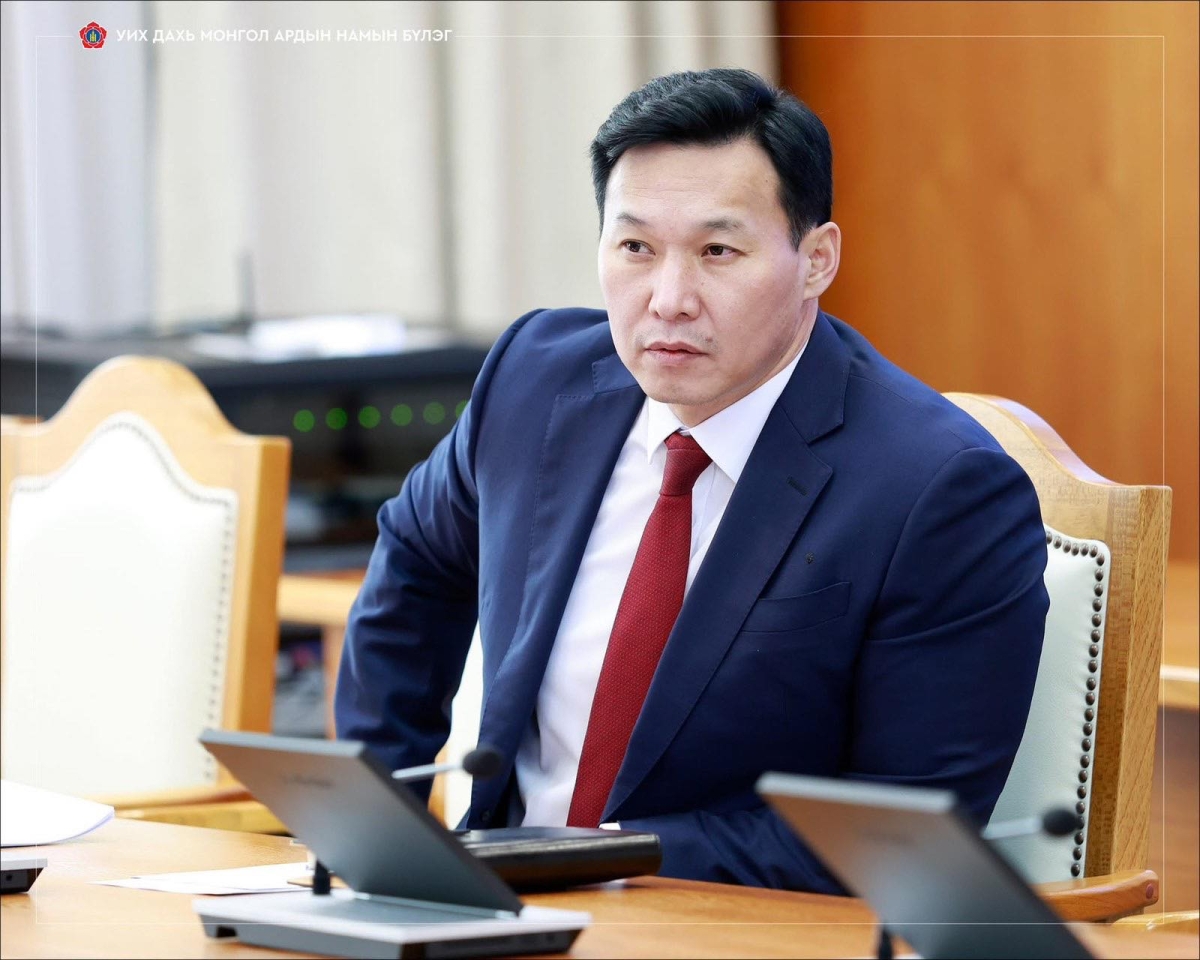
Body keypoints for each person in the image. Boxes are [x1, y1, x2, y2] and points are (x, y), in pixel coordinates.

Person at [335, 68, 1049, 893]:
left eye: (718, 252)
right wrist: (377, 832)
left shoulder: (938, 489)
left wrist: (590, 860)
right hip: (490, 910)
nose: (669, 300)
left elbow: (901, 835)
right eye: (635, 248)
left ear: (816, 260)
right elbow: (418, 563)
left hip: (725, 925)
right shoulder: (533, 380)